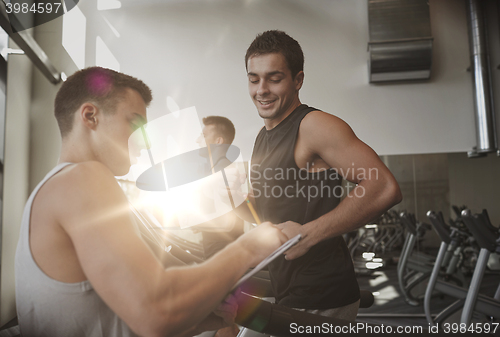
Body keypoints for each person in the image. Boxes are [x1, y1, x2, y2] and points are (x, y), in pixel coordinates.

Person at [14, 66, 287, 337]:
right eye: (134, 125)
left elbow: (119, 314)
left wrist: (197, 323)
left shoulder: (58, 186)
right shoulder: (83, 177)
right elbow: (156, 311)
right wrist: (249, 248)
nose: (144, 144)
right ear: (90, 116)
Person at [241, 30, 403, 321]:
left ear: (298, 80)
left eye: (274, 78)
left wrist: (307, 234)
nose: (261, 89)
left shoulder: (313, 125)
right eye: (254, 79)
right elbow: (272, 213)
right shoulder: (262, 137)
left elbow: (383, 186)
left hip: (319, 292)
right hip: (288, 287)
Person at [195, 116, 245, 260]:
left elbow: (227, 222)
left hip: (223, 251)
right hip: (216, 248)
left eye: (204, 136)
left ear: (218, 141)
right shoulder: (214, 171)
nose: (198, 141)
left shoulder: (225, 172)